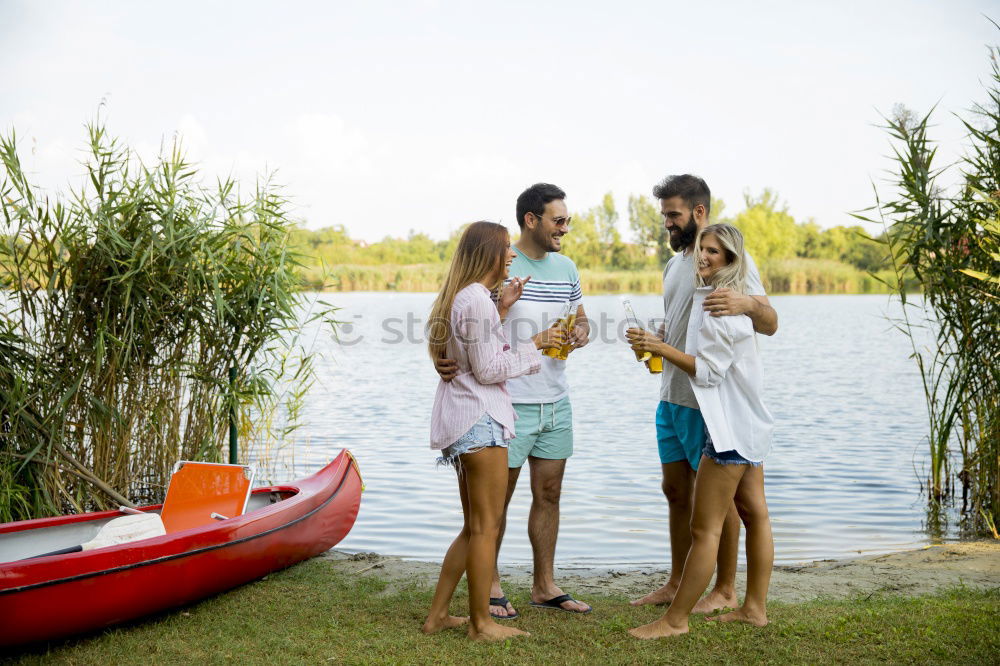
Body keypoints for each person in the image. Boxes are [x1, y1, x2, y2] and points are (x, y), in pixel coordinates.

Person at [435, 183, 592, 618]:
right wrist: (439, 357)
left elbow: (581, 317)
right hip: (505, 401)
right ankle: (492, 584)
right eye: (558, 220)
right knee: (494, 502)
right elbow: (454, 316)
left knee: (550, 491)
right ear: (531, 220)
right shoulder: (499, 260)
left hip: (556, 399)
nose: (565, 228)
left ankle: (544, 584)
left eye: (567, 220)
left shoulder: (567, 267)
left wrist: (581, 332)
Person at [630, 174, 777, 613]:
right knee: (675, 490)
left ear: (698, 212)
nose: (667, 224)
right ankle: (678, 581)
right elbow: (683, 324)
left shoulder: (729, 262)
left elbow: (768, 322)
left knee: (721, 502)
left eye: (673, 215)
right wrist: (656, 338)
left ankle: (725, 589)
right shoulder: (677, 265)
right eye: (664, 216)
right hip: (670, 393)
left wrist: (747, 304)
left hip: (706, 401)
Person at [421, 221, 565, 641]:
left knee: (473, 527)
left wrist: (502, 312)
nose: (511, 256)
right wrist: (534, 343)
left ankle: (438, 616)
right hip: (481, 422)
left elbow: (476, 354)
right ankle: (482, 623)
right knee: (486, 526)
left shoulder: (469, 299)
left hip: (465, 421)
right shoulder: (476, 302)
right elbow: (488, 369)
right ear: (488, 253)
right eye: (505, 248)